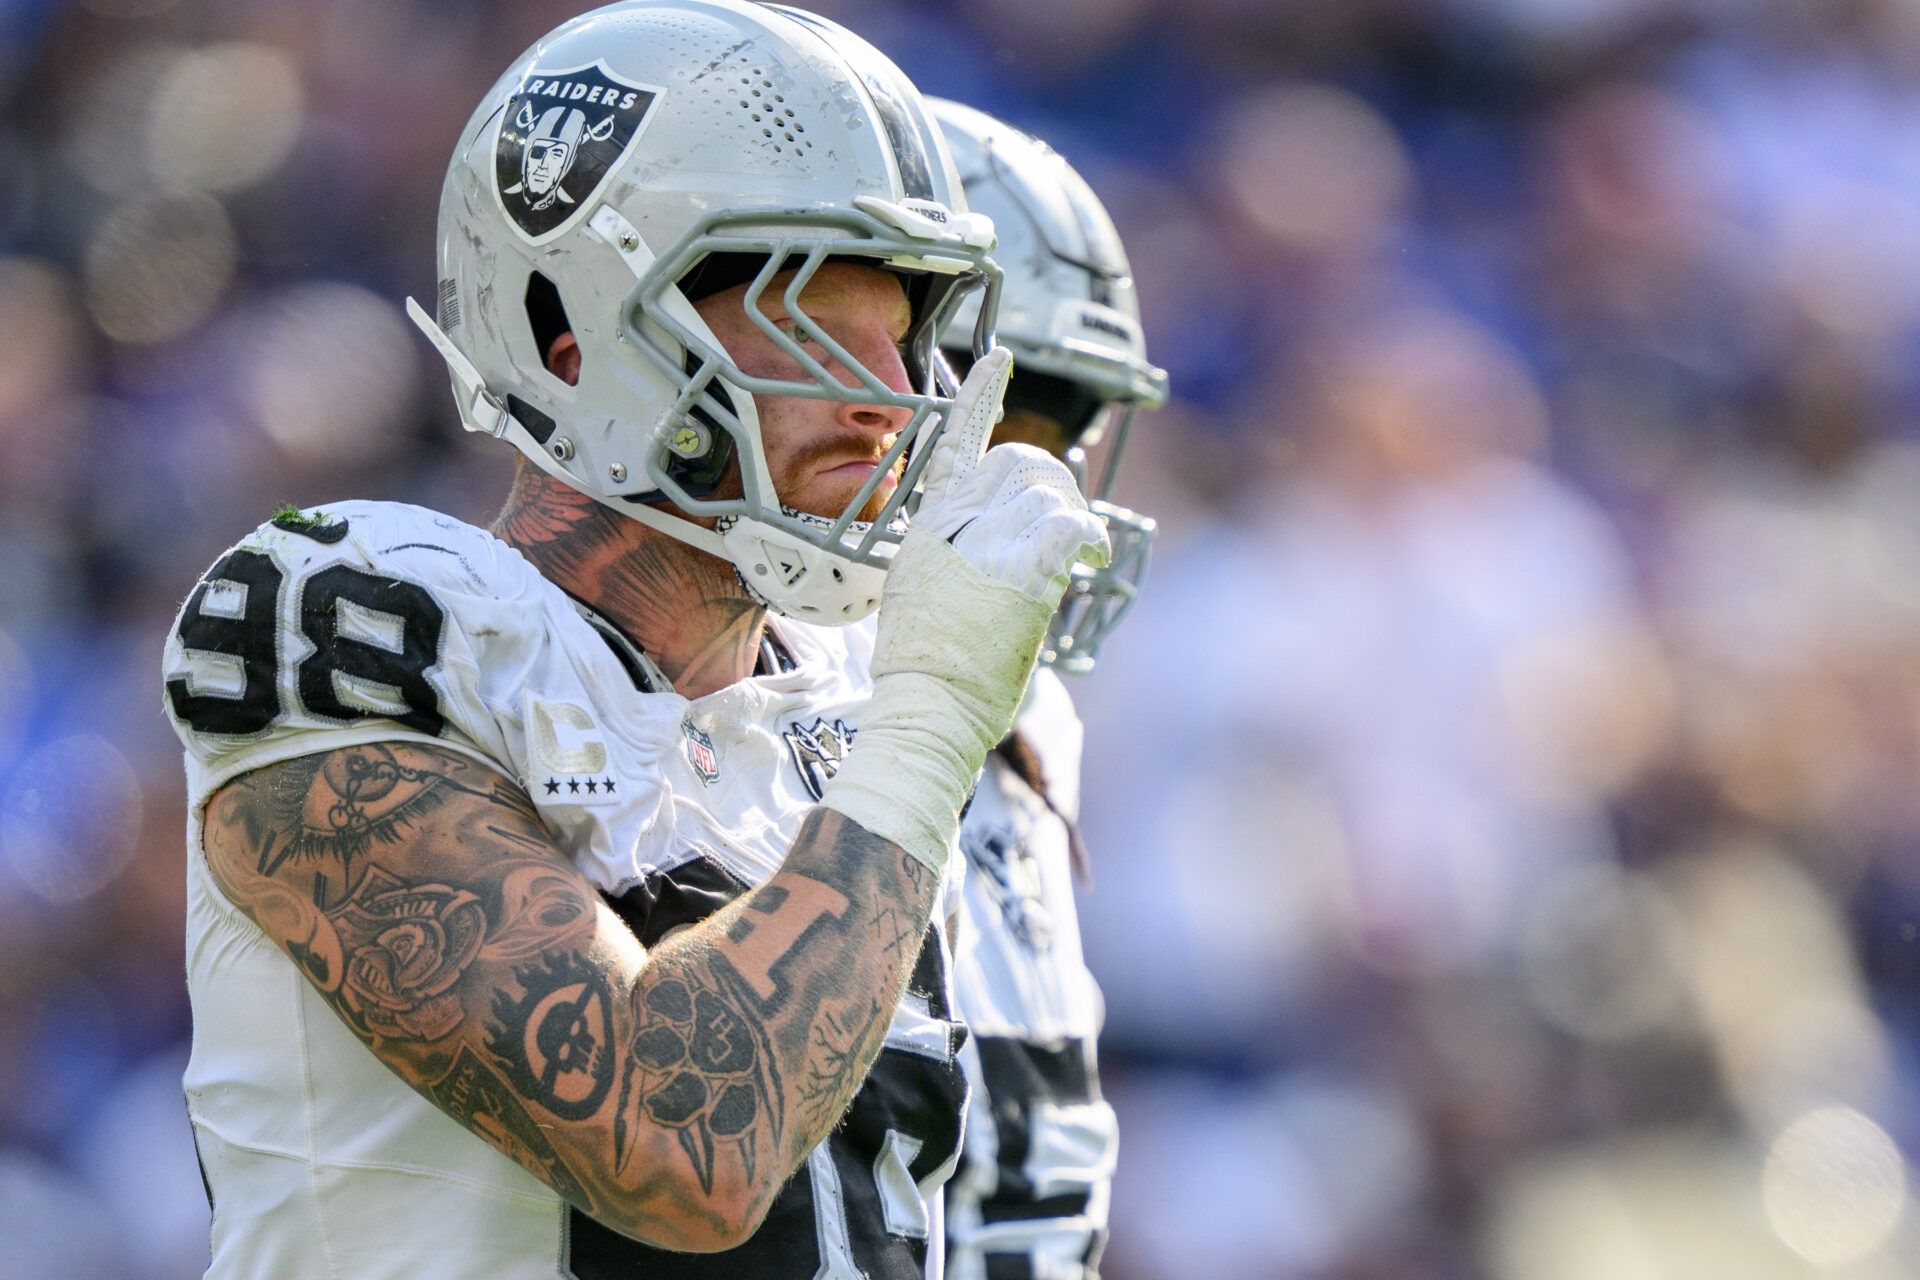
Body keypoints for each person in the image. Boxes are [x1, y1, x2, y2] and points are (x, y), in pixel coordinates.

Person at [158, 4, 1107, 1277]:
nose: (891, 398)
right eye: (812, 322)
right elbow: (676, 1147)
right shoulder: (356, 614)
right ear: (582, 344)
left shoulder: (854, 697)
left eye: (905, 333)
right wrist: (929, 722)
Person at [926, 100, 1168, 1280]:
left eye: (1063, 431)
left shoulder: (1033, 723)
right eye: (1006, 419)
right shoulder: (724, 702)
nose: (1046, 481)